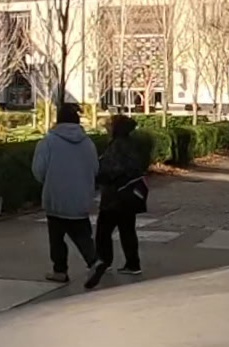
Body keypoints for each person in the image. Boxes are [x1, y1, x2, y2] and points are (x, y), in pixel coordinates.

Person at [36, 100, 104, 290]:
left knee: (56, 237)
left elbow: (38, 169)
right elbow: (95, 168)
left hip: (56, 196)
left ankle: (60, 270)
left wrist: (49, 182)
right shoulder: (88, 143)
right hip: (80, 197)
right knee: (81, 233)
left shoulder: (48, 142)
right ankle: (93, 260)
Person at [101, 110, 155, 279]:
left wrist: (100, 174)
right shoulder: (132, 144)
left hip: (115, 195)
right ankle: (133, 263)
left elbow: (111, 169)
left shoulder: (117, 146)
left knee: (103, 231)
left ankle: (104, 261)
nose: (107, 127)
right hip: (129, 194)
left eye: (110, 125)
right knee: (127, 230)